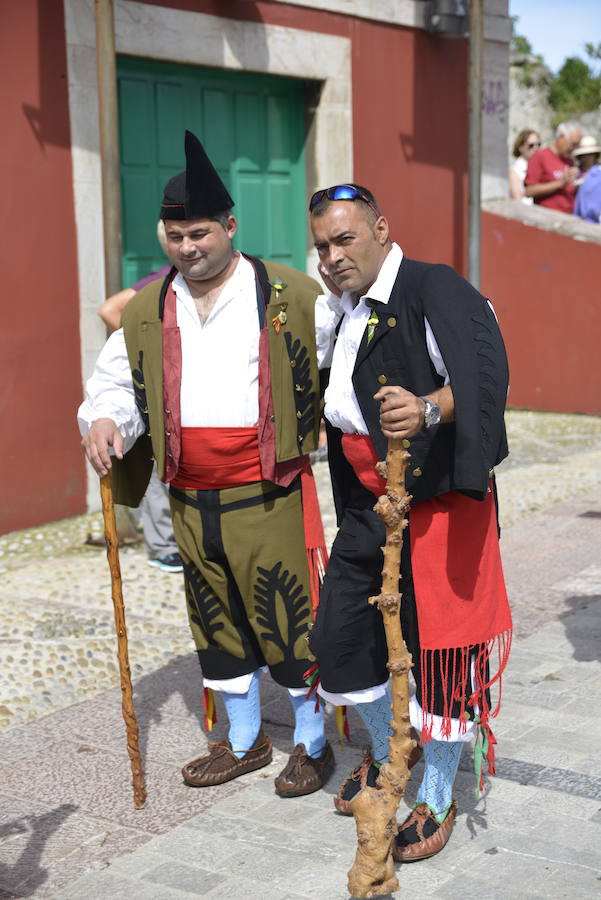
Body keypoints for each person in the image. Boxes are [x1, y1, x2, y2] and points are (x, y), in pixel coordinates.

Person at [78, 131, 338, 796]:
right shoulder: (145, 307)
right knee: (215, 623)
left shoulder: (292, 296)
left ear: (229, 226)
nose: (188, 247)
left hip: (268, 492)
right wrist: (105, 419)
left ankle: (312, 744)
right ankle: (246, 741)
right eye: (174, 236)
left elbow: (348, 365)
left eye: (199, 233)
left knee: (287, 621)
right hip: (189, 497)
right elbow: (117, 385)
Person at [308, 184, 512, 861]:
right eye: (321, 247)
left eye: (344, 239)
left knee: (444, 660)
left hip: (440, 506)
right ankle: (391, 742)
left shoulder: (434, 287)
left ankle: (439, 790)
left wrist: (428, 409)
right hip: (371, 507)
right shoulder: (338, 312)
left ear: (380, 229)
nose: (332, 256)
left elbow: (484, 380)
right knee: (337, 642)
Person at [98, 224, 181, 572]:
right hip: (157, 383)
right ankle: (162, 545)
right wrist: (145, 346)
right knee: (158, 458)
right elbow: (108, 309)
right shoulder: (162, 280)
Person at [524, 121, 582, 213]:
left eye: (577, 145)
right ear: (561, 137)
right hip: (547, 218)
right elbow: (529, 191)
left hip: (569, 218)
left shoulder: (569, 161)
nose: (574, 149)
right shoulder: (540, 156)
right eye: (573, 144)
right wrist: (560, 183)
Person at [508, 128, 540, 204]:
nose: (536, 148)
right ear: (520, 147)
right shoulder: (515, 171)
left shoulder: (539, 166)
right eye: (531, 145)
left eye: (538, 145)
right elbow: (517, 201)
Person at [574, 139, 601, 223]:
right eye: (584, 155)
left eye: (590, 155)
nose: (587, 158)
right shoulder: (576, 174)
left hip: (592, 221)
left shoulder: (598, 175)